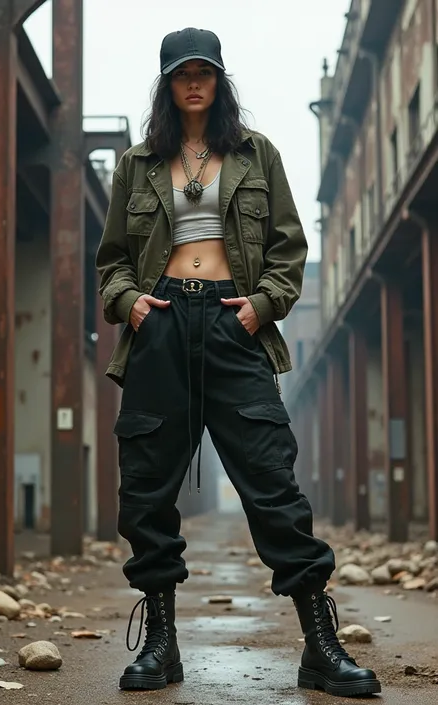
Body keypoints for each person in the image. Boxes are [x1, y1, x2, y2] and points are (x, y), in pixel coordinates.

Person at [95, 27, 381, 699]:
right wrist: (131, 302)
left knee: (271, 479)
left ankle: (320, 647)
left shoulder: (257, 156)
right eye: (181, 72)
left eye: (205, 71)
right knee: (146, 486)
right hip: (159, 324)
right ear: (167, 83)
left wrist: (261, 306)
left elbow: (288, 245)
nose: (194, 81)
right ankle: (161, 647)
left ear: (220, 80)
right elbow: (111, 261)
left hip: (233, 324)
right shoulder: (137, 164)